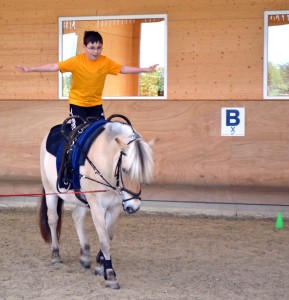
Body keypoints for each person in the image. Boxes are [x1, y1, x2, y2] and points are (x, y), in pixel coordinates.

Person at [16, 31, 158, 129]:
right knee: (78, 132)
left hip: (95, 104)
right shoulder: (76, 61)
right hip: (77, 103)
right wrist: (31, 69)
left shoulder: (105, 62)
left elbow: (122, 69)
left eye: (99, 48)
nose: (95, 51)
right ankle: (71, 162)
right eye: (92, 48)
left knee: (101, 132)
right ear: (84, 47)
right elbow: (54, 66)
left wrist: (145, 70)